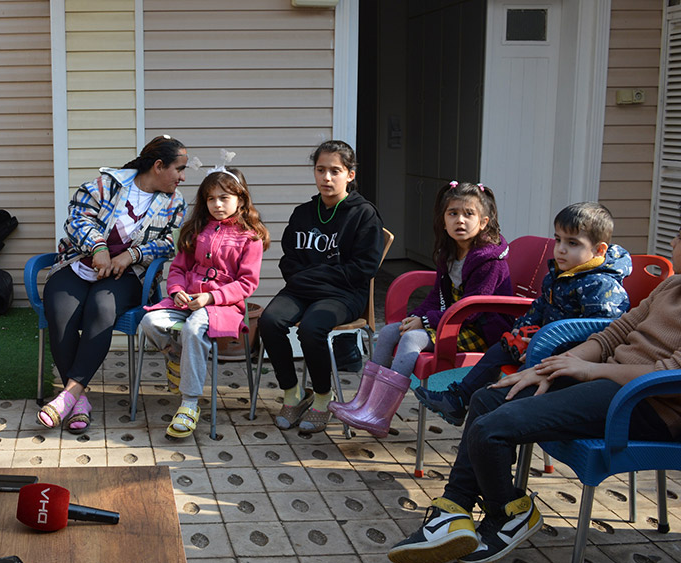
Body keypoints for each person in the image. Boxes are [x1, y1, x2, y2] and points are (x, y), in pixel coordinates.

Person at [388, 229, 681, 563]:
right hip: (608, 382)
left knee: (491, 429)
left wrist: (590, 371)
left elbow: (671, 376)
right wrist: (557, 367)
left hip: (646, 404)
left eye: (679, 236)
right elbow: (611, 334)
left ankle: (510, 511)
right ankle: (453, 509)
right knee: (488, 398)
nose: (673, 242)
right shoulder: (671, 286)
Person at [414, 202, 631, 425]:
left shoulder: (601, 285)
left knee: (492, 397)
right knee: (500, 349)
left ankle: (496, 421)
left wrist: (545, 345)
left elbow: (598, 332)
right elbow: (539, 307)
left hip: (569, 357)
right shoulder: (559, 274)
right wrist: (521, 330)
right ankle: (459, 398)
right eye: (558, 240)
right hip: (541, 343)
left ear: (599, 250)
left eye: (573, 243)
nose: (561, 249)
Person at [331, 181, 513, 437]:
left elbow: (473, 309)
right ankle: (363, 404)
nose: (460, 220)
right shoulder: (450, 253)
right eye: (453, 213)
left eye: (468, 214)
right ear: (443, 220)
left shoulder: (489, 261)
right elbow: (437, 296)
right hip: (455, 319)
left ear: (483, 222)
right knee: (388, 333)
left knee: (412, 339)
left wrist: (426, 322)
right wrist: (417, 315)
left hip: (483, 329)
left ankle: (380, 415)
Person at [39, 135, 188, 433]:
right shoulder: (105, 185)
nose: (182, 177)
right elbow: (78, 219)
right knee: (59, 310)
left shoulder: (175, 202)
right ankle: (78, 401)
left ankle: (68, 395)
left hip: (128, 276)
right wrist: (99, 248)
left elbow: (169, 243)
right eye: (179, 169)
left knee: (101, 306)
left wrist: (132, 255)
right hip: (78, 264)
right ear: (158, 166)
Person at [257, 140, 385, 433]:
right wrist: (310, 278)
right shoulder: (303, 212)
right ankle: (293, 393)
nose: (327, 177)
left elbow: (364, 268)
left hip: (345, 294)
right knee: (269, 320)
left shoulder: (363, 214)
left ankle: (323, 397)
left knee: (312, 328)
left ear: (350, 175)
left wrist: (316, 276)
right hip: (302, 289)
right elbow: (289, 260)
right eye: (321, 170)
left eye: (335, 171)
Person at [139, 166, 267, 438]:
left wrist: (211, 297)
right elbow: (178, 269)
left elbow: (247, 284)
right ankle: (175, 356)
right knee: (150, 321)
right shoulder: (196, 230)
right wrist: (175, 291)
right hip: (186, 301)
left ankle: (189, 403)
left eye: (224, 198)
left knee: (193, 329)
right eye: (211, 199)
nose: (217, 204)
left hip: (222, 307)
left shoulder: (250, 237)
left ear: (241, 200)